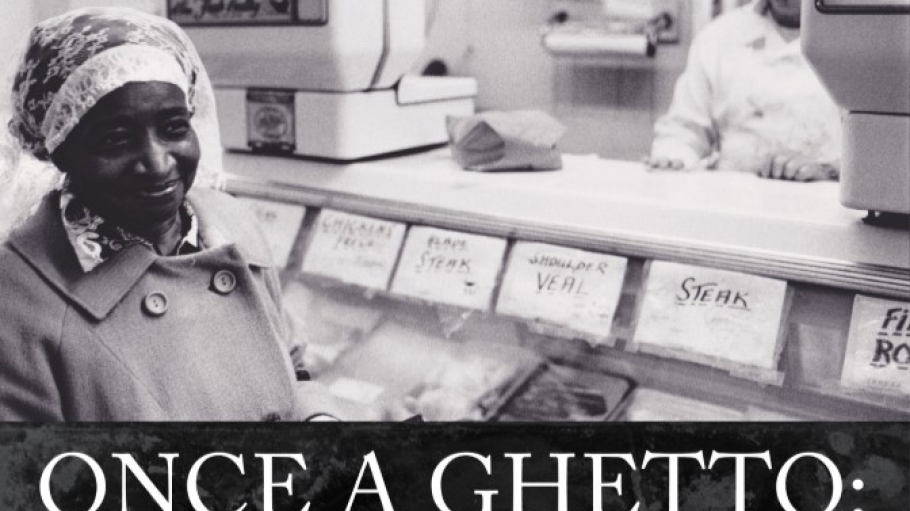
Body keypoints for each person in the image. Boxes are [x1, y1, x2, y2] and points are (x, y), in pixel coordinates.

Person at [0, 7, 346, 421]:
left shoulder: (231, 224)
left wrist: (318, 423)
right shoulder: (18, 297)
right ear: (59, 149)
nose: (159, 162)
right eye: (116, 139)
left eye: (174, 127)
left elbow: (294, 370)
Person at [647, 0, 841, 181]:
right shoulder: (720, 36)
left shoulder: (858, 35)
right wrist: (673, 159)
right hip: (733, 200)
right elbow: (684, 131)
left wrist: (827, 170)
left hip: (825, 206)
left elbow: (870, 157)